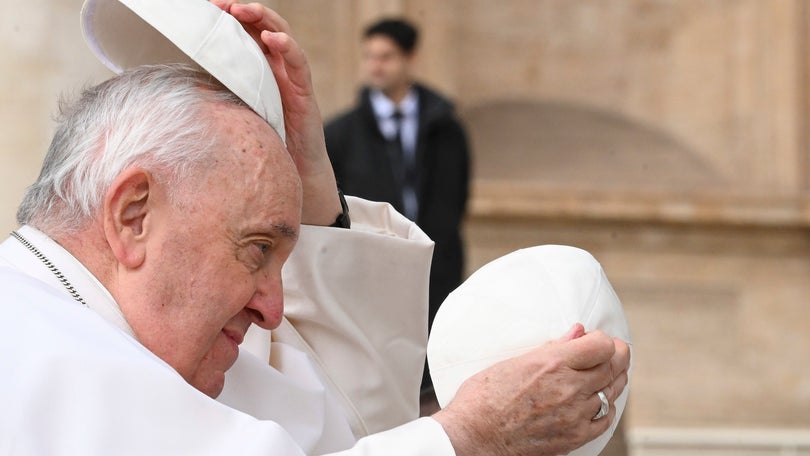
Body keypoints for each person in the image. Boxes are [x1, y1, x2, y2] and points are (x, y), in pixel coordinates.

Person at [0, 1, 630, 455]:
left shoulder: (152, 325)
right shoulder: (30, 346)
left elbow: (357, 424)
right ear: (133, 214)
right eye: (258, 249)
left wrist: (306, 174)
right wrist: (468, 436)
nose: (273, 309)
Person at [324, 20, 470, 361]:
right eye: (369, 56)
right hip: (370, 272)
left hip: (435, 269)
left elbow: (456, 196)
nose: (375, 65)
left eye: (386, 56)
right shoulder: (341, 134)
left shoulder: (446, 129)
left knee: (434, 365)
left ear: (410, 59)